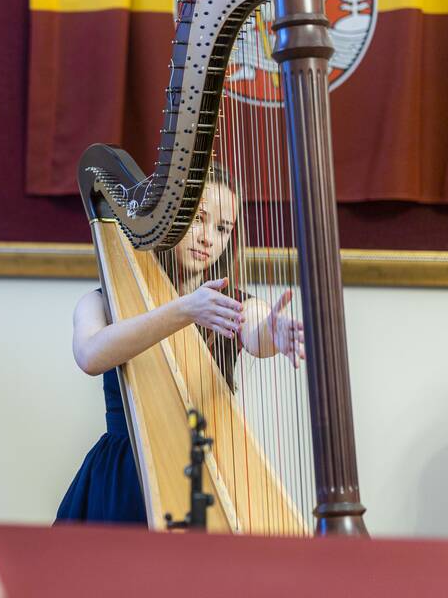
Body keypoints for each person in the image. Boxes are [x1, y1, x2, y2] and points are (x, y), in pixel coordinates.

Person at [56, 164, 305, 524]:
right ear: (167, 218)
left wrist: (273, 332)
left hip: (207, 471)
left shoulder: (233, 302)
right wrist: (185, 309)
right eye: (199, 219)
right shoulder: (100, 302)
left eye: (223, 228)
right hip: (127, 473)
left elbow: (255, 330)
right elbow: (90, 355)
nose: (209, 238)